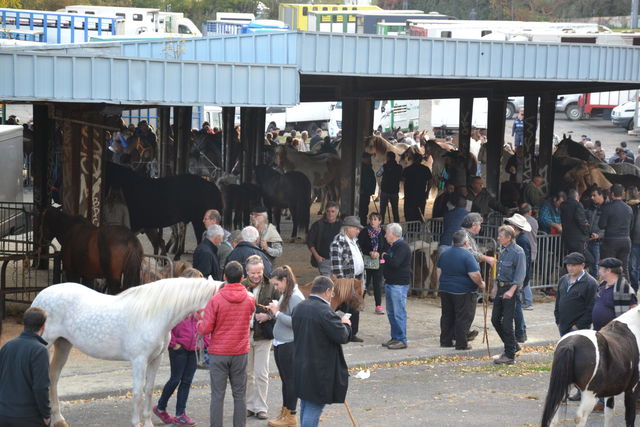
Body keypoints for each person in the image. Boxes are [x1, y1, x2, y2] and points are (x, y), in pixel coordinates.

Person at [197, 261, 256, 427]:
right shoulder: (250, 299)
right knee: (239, 394)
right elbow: (250, 315)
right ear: (242, 277)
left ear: (224, 277)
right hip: (240, 351)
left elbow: (205, 329)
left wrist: (199, 324)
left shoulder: (216, 300)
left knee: (217, 395)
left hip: (219, 352)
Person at [292, 276, 351, 427]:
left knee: (306, 403)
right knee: (314, 406)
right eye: (332, 294)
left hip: (301, 363)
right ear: (327, 291)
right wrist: (345, 324)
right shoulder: (325, 312)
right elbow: (342, 336)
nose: (332, 297)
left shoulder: (299, 307)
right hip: (319, 368)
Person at [153, 268, 208, 426]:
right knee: (175, 379)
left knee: (187, 381)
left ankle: (180, 413)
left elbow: (205, 322)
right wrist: (173, 343)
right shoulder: (175, 303)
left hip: (194, 348)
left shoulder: (199, 303)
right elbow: (165, 325)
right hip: (179, 347)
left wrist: (204, 343)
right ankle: (161, 407)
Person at [266, 266, 305, 427]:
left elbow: (296, 323)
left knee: (290, 381)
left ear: (285, 280)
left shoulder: (295, 297)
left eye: (277, 284)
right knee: (285, 380)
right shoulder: (286, 294)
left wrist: (276, 313)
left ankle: (291, 415)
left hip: (289, 344)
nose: (276, 288)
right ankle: (285, 411)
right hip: (281, 342)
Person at [242, 256, 280, 421]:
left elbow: (280, 307)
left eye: (259, 272)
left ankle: (261, 407)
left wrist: (268, 316)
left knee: (262, 373)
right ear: (247, 272)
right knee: (247, 373)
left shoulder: (271, 286)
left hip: (264, 335)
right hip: (245, 335)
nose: (256, 275)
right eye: (253, 273)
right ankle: (249, 406)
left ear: (263, 270)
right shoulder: (241, 286)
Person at [0, 307, 50, 427]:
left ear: (24, 323)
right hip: (28, 417)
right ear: (43, 326)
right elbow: (40, 387)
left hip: (3, 414)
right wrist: (46, 415)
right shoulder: (40, 350)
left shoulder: (7, 346)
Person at [437, 230, 485, 350]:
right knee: (463, 317)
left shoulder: (445, 253)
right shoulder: (468, 256)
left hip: (445, 289)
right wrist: (481, 284)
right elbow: (474, 274)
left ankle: (445, 341)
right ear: (466, 242)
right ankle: (461, 343)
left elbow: (439, 271)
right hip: (463, 291)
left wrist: (441, 284)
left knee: (447, 315)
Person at [492, 225, 526, 365]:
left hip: (510, 290)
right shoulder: (503, 250)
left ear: (509, 238)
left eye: (501, 236)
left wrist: (511, 291)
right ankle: (513, 345)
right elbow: (499, 270)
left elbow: (520, 274)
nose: (498, 238)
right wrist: (495, 286)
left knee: (507, 324)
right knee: (495, 320)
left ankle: (509, 355)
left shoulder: (518, 252)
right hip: (501, 288)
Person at [330, 216, 366, 342]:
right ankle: (341, 332)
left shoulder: (354, 241)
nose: (358, 231)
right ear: (348, 228)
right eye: (356, 228)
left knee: (354, 308)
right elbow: (336, 265)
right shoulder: (338, 242)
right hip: (345, 282)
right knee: (343, 308)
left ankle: (352, 333)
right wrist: (342, 284)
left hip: (357, 280)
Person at [381, 223, 411, 350]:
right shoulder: (393, 246)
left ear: (393, 234)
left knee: (399, 312)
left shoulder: (402, 247)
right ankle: (395, 337)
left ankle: (402, 339)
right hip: (391, 282)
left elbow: (395, 263)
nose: (385, 235)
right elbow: (387, 263)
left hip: (398, 284)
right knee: (391, 312)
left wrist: (384, 257)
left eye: (387, 233)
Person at [554, 252, 598, 336]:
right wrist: (558, 320)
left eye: (573, 265)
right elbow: (558, 302)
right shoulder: (563, 279)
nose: (570, 268)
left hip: (579, 329)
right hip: (563, 326)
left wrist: (578, 326)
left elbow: (591, 308)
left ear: (582, 265)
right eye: (568, 265)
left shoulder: (591, 283)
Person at [504, 214, 532, 344]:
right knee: (516, 306)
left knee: (516, 307)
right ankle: (521, 331)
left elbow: (523, 263)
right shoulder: (520, 240)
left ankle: (520, 332)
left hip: (518, 279)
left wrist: (520, 280)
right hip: (518, 278)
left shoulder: (521, 241)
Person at [599, 184, 633, 285]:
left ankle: (609, 291)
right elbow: (631, 226)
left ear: (612, 194)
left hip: (611, 240)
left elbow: (601, 225)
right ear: (622, 194)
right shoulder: (629, 208)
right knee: (624, 267)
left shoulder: (607, 208)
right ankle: (627, 292)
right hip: (626, 240)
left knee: (609, 267)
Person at [358, 212, 388, 315]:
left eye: (375, 219)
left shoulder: (383, 233)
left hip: (378, 263)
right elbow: (360, 246)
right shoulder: (364, 232)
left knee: (377, 284)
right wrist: (369, 252)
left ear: (380, 221)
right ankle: (360, 302)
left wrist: (379, 253)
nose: (372, 221)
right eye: (371, 219)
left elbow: (386, 247)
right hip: (366, 261)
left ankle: (378, 306)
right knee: (364, 282)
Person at [307, 202, 342, 276]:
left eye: (333, 211)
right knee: (327, 283)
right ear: (325, 211)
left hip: (339, 260)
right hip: (324, 260)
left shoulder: (341, 226)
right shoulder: (318, 225)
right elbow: (310, 242)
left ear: (337, 212)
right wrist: (317, 256)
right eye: (328, 211)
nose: (330, 214)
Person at [559, 189, 593, 267]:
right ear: (577, 197)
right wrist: (587, 233)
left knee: (572, 260)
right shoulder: (577, 205)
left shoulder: (563, 205)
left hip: (567, 237)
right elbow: (580, 221)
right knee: (587, 260)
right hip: (578, 239)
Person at [401, 150, 432, 222]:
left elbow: (403, 179)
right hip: (421, 196)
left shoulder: (407, 169)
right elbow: (430, 182)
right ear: (421, 160)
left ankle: (410, 232)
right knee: (420, 216)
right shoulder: (425, 169)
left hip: (409, 196)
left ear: (413, 160)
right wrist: (427, 192)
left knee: (409, 216)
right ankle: (417, 232)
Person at [519, 203, 538, 309]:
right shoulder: (534, 221)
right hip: (533, 250)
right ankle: (526, 300)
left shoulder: (520, 221)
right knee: (525, 276)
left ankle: (527, 301)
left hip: (525, 251)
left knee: (524, 276)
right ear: (530, 211)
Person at [586, 187, 607, 277]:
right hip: (589, 239)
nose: (592, 197)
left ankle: (595, 286)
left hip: (600, 242)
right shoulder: (591, 206)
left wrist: (599, 235)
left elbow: (610, 227)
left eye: (594, 195)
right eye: (591, 195)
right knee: (591, 263)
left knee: (596, 264)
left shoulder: (608, 208)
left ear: (601, 195)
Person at [377, 151, 402, 223]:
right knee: (395, 211)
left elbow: (378, 174)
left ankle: (380, 226)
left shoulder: (384, 166)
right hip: (394, 191)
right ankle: (396, 225)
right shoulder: (399, 167)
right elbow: (401, 177)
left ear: (388, 158)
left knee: (382, 211)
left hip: (385, 191)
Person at [359, 153, 377, 226]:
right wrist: (365, 190)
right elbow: (365, 181)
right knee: (363, 210)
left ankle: (362, 223)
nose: (369, 160)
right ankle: (362, 224)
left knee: (364, 210)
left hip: (366, 192)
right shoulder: (364, 168)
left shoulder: (367, 167)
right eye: (368, 158)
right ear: (364, 159)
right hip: (364, 193)